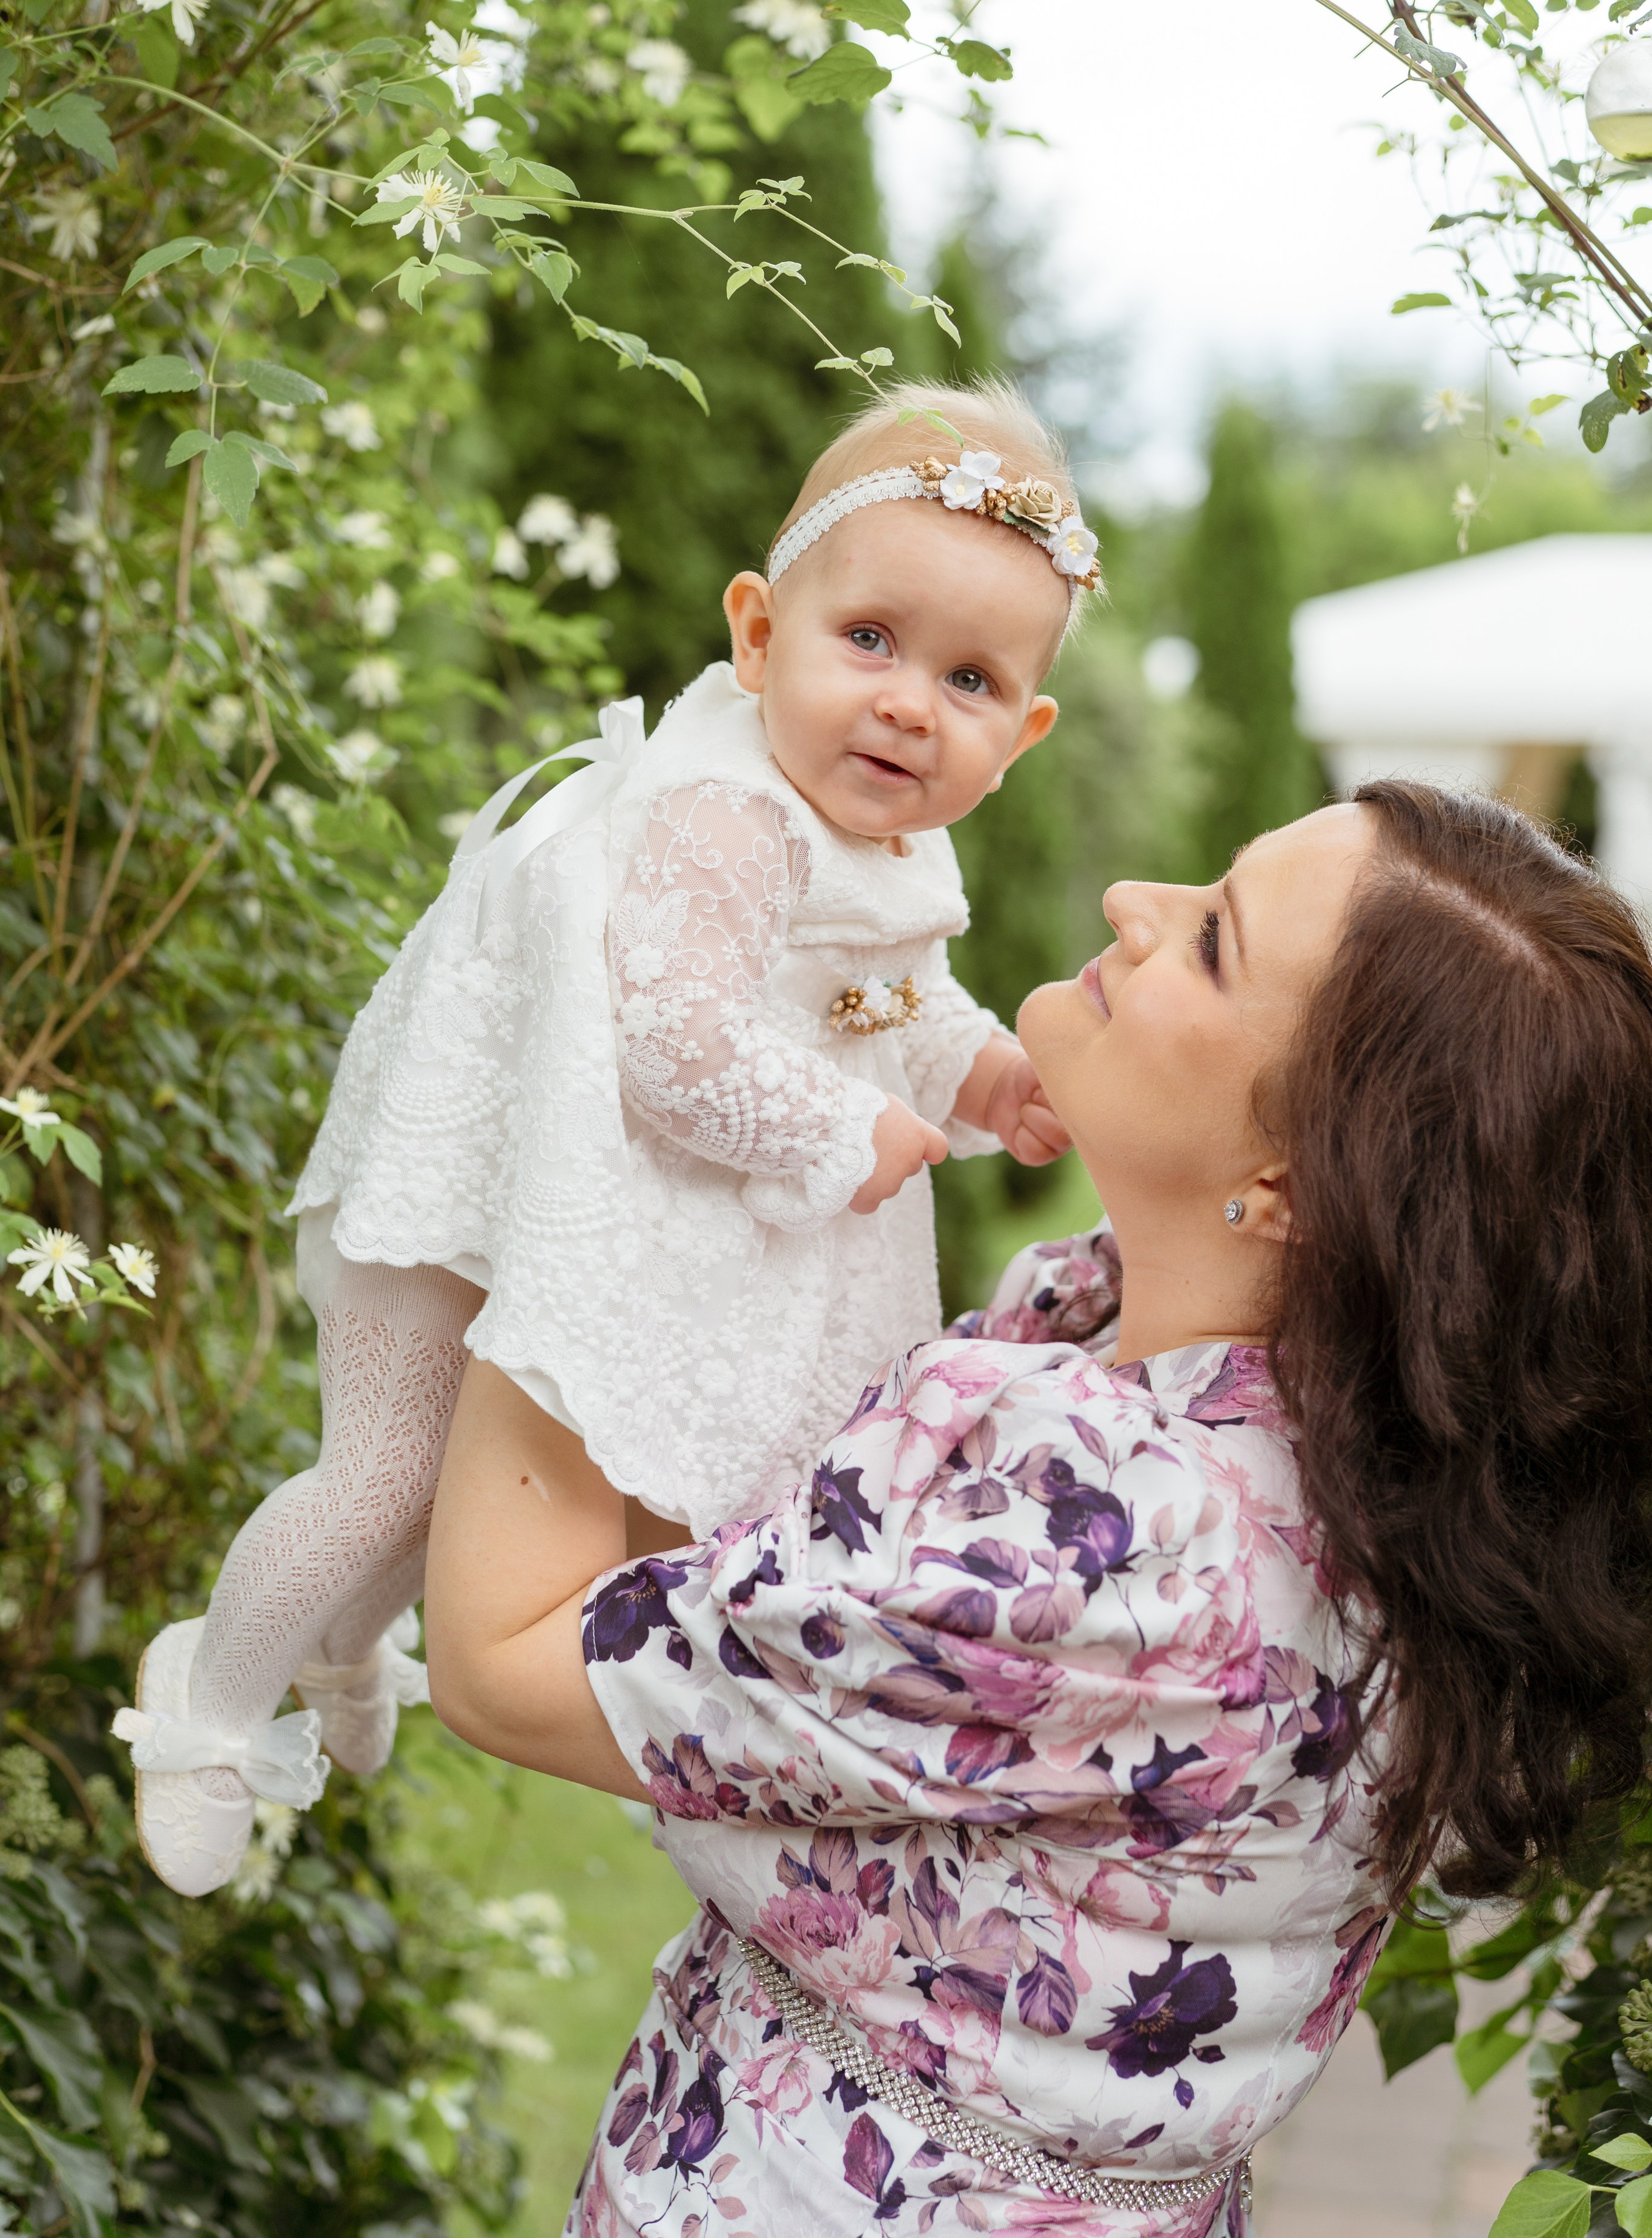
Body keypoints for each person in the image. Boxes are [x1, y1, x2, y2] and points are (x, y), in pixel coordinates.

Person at [422, 781, 1652, 2237]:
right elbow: (754, 1612)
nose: (1137, 903)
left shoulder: (1118, 1541)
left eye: (1210, 942)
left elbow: (507, 1659)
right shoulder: (1349, 1455)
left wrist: (584, 1107)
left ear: (1300, 1174)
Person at [116, 381, 1098, 1895]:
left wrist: (982, 1077)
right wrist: (852, 1132)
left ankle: (346, 1643)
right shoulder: (727, 815)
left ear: (1022, 733)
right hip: (456, 1185)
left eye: (968, 679)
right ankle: (209, 1696)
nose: (909, 700)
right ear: (759, 634)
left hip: (550, 1198)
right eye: (869, 642)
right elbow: (677, 1051)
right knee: (383, 1474)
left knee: (452, 1478)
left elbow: (890, 994)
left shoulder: (888, 831)